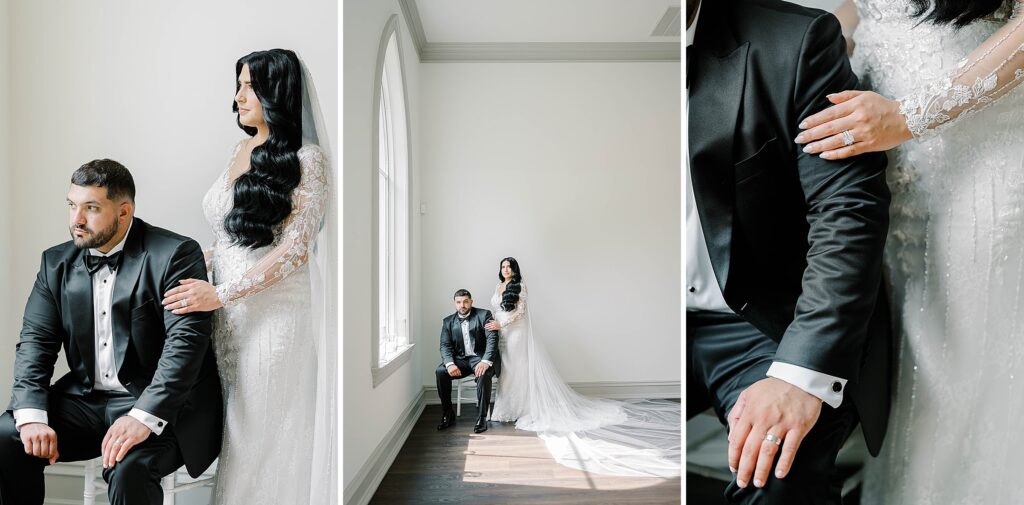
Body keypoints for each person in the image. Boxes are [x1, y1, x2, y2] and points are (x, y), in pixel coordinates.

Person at [793, 1, 1024, 502]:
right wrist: (814, 59)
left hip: (977, 152)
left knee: (970, 363)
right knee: (914, 362)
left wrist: (910, 114)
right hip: (895, 167)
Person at [687, 0, 892, 502]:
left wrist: (801, 375)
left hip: (755, 321)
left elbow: (846, 211)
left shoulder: (797, 41)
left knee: (779, 465)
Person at [158, 48, 331, 504]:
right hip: (227, 317)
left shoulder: (308, 159)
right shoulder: (240, 149)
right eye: (237, 85)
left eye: (249, 86)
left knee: (268, 427)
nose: (238, 96)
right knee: (238, 424)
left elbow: (295, 250)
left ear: (278, 91)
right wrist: (192, 275)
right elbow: (229, 238)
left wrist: (222, 293)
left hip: (277, 317)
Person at [0, 160, 222, 505]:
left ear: (123, 212)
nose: (77, 220)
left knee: (128, 467)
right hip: (87, 401)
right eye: (72, 205)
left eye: (91, 208)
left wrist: (143, 417)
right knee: (7, 435)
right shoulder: (55, 263)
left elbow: (185, 346)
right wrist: (30, 417)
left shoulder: (175, 254)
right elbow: (35, 343)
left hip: (159, 401)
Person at [486, 257, 680, 478]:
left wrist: (501, 323)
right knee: (507, 370)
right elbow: (495, 309)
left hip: (516, 331)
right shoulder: (497, 286)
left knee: (518, 370)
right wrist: (494, 325)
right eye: (503, 267)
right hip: (500, 332)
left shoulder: (520, 286)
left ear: (515, 269)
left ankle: (521, 408)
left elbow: (520, 312)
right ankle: (507, 407)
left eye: (509, 267)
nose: (506, 270)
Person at [435, 289, 501, 434]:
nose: (462, 305)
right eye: (459, 302)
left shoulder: (484, 315)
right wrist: (450, 364)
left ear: (471, 301)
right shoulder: (448, 322)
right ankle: (448, 414)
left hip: (481, 358)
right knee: (440, 371)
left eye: (465, 301)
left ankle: (481, 418)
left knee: (483, 375)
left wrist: (485, 361)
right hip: (462, 361)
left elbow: (492, 339)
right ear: (455, 303)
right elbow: (444, 345)